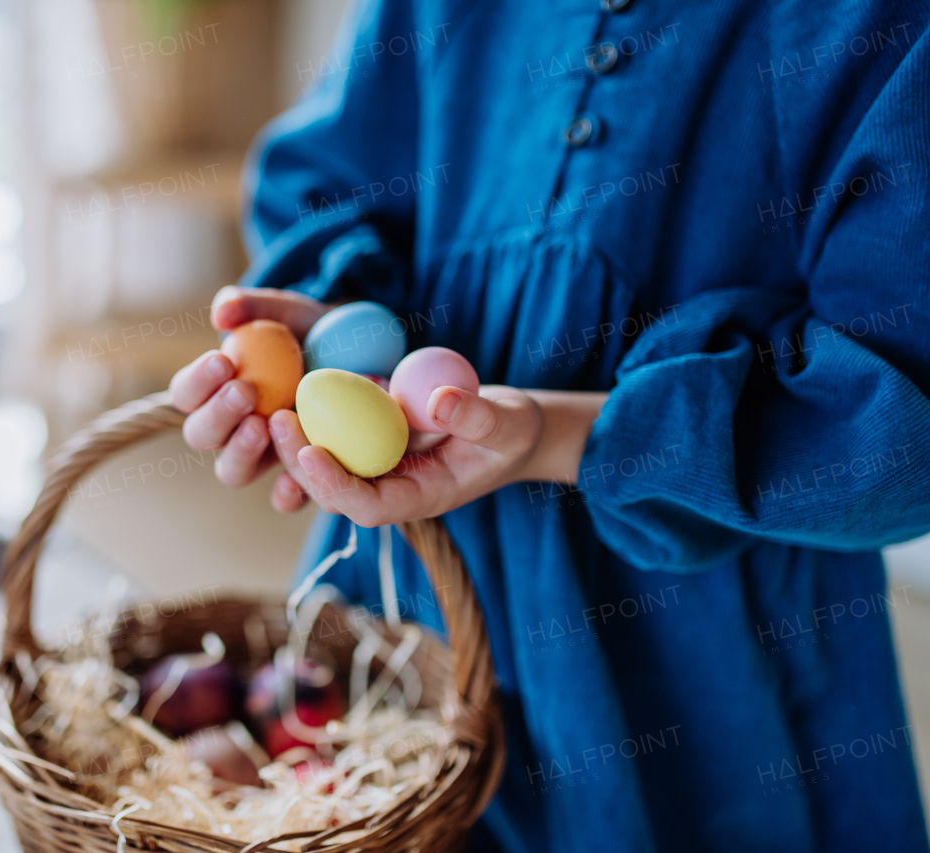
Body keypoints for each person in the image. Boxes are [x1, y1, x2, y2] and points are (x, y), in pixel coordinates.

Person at [168, 0, 930, 849]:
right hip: (415, 595)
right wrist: (336, 335)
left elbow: (901, 427)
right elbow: (328, 177)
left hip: (707, 661)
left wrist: (555, 432)